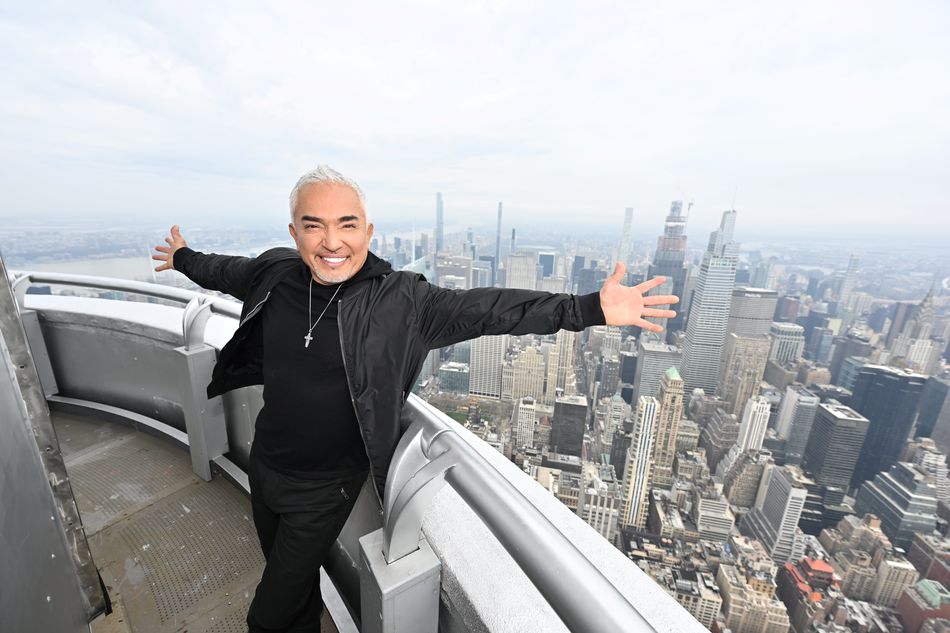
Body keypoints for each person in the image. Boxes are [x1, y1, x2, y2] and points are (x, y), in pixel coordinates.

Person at [152, 165, 678, 633]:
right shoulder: (275, 273)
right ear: (295, 233)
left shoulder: (402, 302)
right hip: (267, 466)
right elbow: (222, 270)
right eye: (314, 225)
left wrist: (588, 307)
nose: (331, 241)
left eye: (347, 224)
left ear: (368, 231)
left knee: (266, 616)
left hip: (325, 487)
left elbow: (491, 310)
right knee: (291, 589)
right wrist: (181, 256)